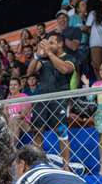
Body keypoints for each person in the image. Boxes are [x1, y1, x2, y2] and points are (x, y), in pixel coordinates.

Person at [27, 32, 76, 169]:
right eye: (48, 43)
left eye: (52, 43)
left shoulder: (70, 58)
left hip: (59, 99)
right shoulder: (44, 60)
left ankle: (66, 167)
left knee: (61, 132)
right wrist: (37, 55)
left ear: (60, 44)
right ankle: (40, 166)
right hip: (41, 99)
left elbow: (65, 69)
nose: (49, 45)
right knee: (37, 131)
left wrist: (49, 53)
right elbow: (29, 72)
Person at [86, 0, 102, 80]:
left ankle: (101, 87)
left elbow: (87, 27)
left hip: (95, 43)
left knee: (97, 67)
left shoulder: (93, 13)